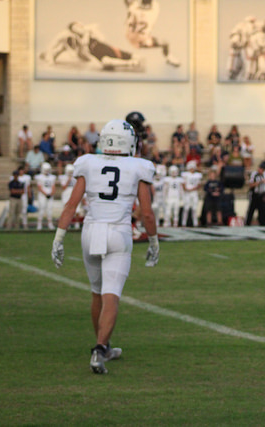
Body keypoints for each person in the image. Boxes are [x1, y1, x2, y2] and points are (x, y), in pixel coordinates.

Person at [51, 119, 159, 375]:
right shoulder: (139, 166)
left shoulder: (89, 162)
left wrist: (58, 237)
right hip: (118, 233)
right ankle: (100, 349)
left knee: (96, 293)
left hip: (90, 231)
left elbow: (71, 205)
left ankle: (105, 346)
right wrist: (153, 241)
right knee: (112, 294)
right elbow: (146, 212)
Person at [124, 0, 180, 67]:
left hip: (130, 36)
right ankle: (168, 57)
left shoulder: (134, 8)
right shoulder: (153, 11)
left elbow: (129, 3)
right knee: (165, 43)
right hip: (143, 41)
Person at [35, 162, 57, 230]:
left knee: (49, 209)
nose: (47, 171)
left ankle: (50, 224)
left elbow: (53, 186)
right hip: (42, 195)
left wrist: (51, 193)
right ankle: (39, 224)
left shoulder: (52, 177)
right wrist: (46, 194)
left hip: (50, 195)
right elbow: (39, 187)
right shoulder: (39, 177)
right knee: (41, 209)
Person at [181, 160, 202, 227]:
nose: (192, 169)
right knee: (186, 208)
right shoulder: (185, 174)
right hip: (187, 193)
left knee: (194, 209)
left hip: (194, 192)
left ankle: (195, 223)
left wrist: (192, 189)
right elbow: (183, 184)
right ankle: (183, 223)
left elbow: (199, 185)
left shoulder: (197, 175)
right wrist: (187, 189)